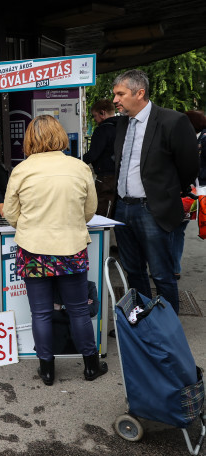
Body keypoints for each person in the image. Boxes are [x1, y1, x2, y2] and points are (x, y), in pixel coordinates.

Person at [3, 114, 106, 386]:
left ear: (29, 140)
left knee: (41, 312)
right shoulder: (79, 167)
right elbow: (89, 211)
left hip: (33, 250)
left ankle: (47, 370)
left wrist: (31, 226)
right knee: (78, 311)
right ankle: (90, 367)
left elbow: (12, 215)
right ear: (60, 136)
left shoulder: (21, 170)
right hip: (71, 248)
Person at [112, 69, 199, 314]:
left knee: (161, 273)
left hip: (153, 209)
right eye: (115, 94)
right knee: (133, 271)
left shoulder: (172, 120)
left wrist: (167, 194)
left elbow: (188, 165)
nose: (115, 100)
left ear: (139, 93)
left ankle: (166, 326)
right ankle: (141, 319)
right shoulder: (122, 123)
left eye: (120, 94)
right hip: (123, 208)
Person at [172, 110, 206, 279]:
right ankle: (174, 267)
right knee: (178, 231)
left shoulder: (197, 141)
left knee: (173, 229)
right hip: (192, 193)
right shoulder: (197, 139)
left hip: (186, 193)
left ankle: (170, 267)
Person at [83, 99, 118, 217]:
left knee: (101, 214)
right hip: (122, 177)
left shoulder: (102, 130)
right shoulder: (123, 127)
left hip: (106, 178)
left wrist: (75, 162)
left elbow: (93, 154)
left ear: (102, 113)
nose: (95, 120)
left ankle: (104, 235)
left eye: (95, 116)